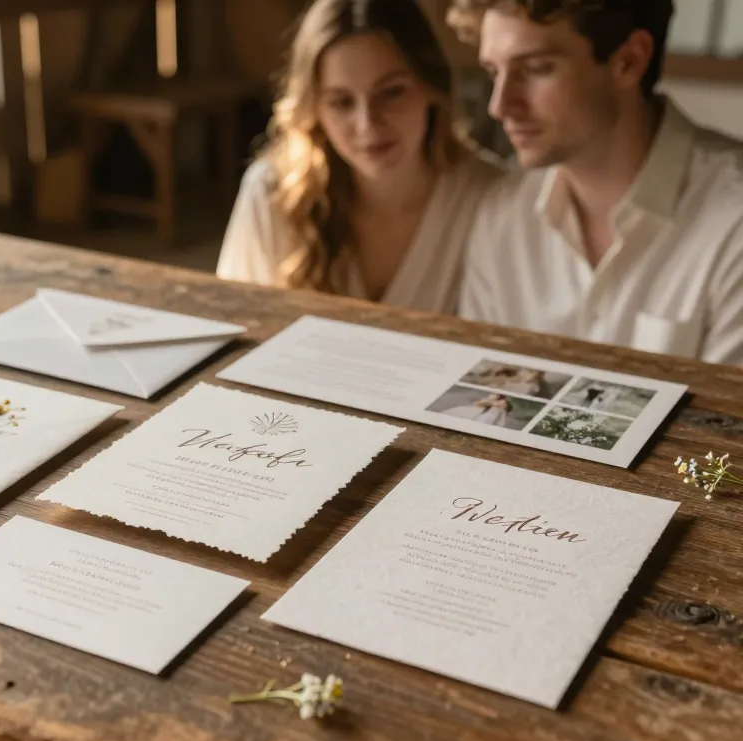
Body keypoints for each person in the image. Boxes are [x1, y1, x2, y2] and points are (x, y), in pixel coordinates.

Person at [448, 0, 743, 365]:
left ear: (629, 61)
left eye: (536, 69)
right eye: (494, 71)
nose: (500, 105)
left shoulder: (733, 222)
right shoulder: (503, 217)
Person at [215, 0, 503, 314]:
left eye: (391, 92)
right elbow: (240, 327)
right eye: (341, 102)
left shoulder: (489, 199)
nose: (368, 125)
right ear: (315, 110)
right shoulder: (272, 196)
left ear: (431, 88)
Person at [444, 393, 512, 426]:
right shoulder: (491, 399)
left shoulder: (501, 405)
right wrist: (491, 403)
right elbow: (478, 404)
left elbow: (503, 409)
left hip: (487, 415)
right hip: (477, 411)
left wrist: (494, 404)